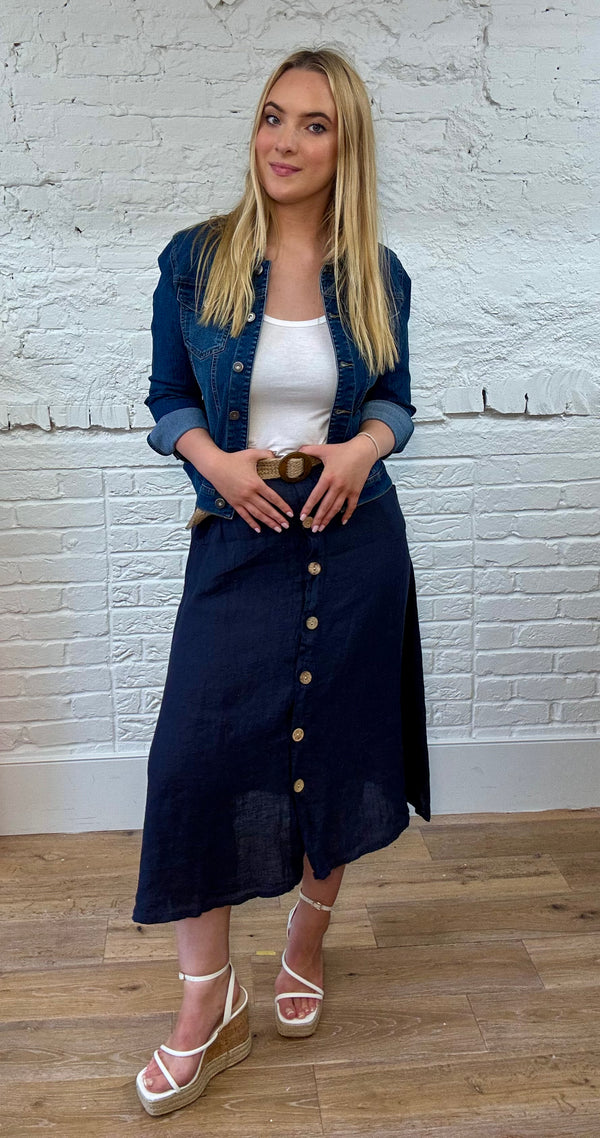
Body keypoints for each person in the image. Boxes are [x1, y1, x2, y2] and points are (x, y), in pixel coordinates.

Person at [132, 45, 431, 1117]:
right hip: (239, 538)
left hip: (353, 547)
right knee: (195, 762)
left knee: (340, 749)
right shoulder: (194, 260)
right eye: (273, 116)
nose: (285, 142)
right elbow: (168, 395)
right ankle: (208, 1002)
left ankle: (308, 934)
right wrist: (213, 464)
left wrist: (365, 449)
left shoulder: (378, 273)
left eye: (313, 124)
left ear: (345, 146)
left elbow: (395, 397)